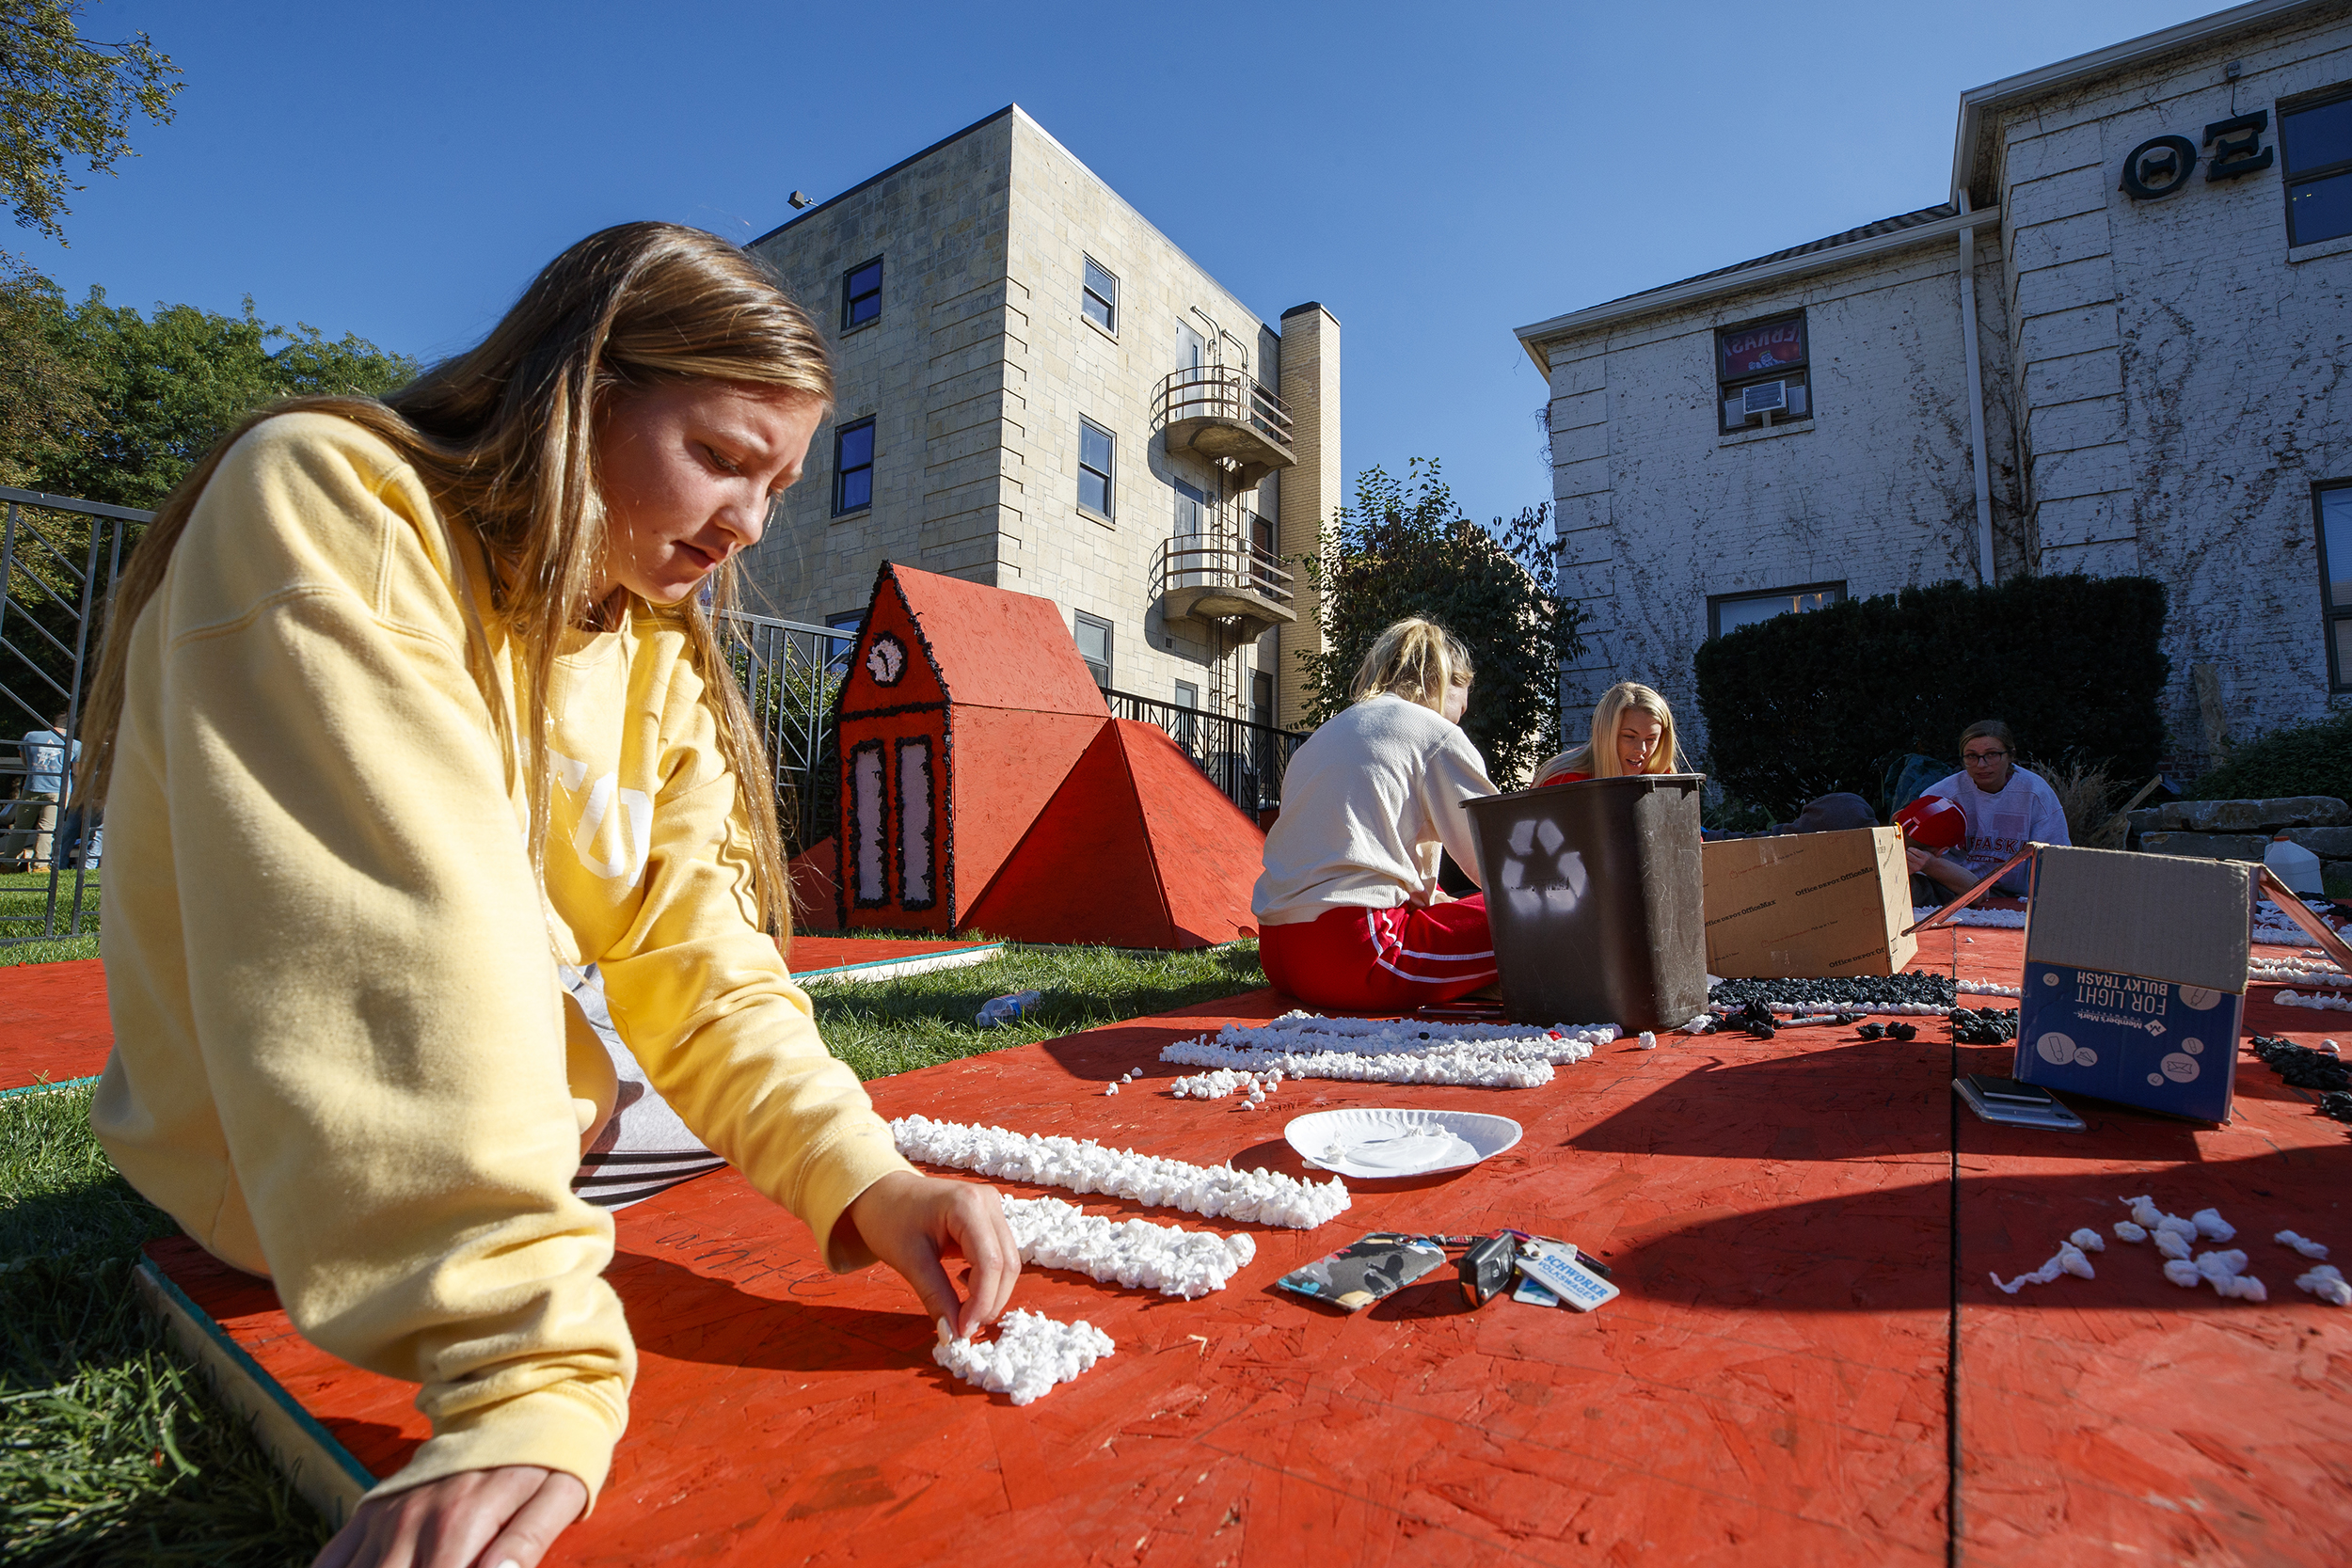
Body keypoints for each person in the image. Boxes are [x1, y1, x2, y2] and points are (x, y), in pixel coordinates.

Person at [74, 224, 1020, 1568]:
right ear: (577, 393)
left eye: (782, 484)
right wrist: (526, 1367)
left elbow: (698, 953)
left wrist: (866, 1178)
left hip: (527, 1120)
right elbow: (386, 939)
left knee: (711, 1068)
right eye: (722, 459)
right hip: (274, 1165)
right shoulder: (329, 498)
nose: (752, 520)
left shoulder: (646, 635)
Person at [1252, 618, 1499, 1010]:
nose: (1459, 720)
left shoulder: (1326, 734)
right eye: (1461, 705)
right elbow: (1502, 865)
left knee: (1453, 904)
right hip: (1353, 952)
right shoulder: (1435, 733)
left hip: (1279, 951)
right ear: (1440, 682)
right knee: (1553, 909)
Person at [1908, 719, 2070, 896]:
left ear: (2010, 755)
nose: (1981, 764)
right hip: (1954, 888)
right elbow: (1915, 849)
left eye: (1992, 754)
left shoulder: (2035, 792)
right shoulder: (1941, 796)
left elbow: (2055, 859)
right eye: (1971, 756)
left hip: (2014, 894)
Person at [1533, 681, 1687, 785]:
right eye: (1629, 736)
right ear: (1605, 734)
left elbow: (1685, 832)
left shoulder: (1660, 779)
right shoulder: (1564, 781)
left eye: (1651, 739)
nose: (1641, 749)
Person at [8, 709, 77, 871]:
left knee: (21, 826)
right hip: (57, 790)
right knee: (47, 828)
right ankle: (40, 865)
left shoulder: (30, 736)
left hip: (32, 786)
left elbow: (25, 760)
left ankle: (8, 862)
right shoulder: (74, 743)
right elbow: (77, 770)